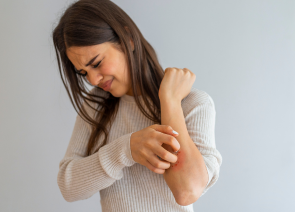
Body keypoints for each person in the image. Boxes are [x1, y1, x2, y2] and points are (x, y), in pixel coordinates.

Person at [53, 0, 222, 211]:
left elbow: (186, 191)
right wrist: (127, 149)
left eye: (96, 63)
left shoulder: (192, 104)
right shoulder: (95, 108)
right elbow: (68, 187)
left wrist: (169, 101)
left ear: (128, 40)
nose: (93, 80)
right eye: (83, 72)